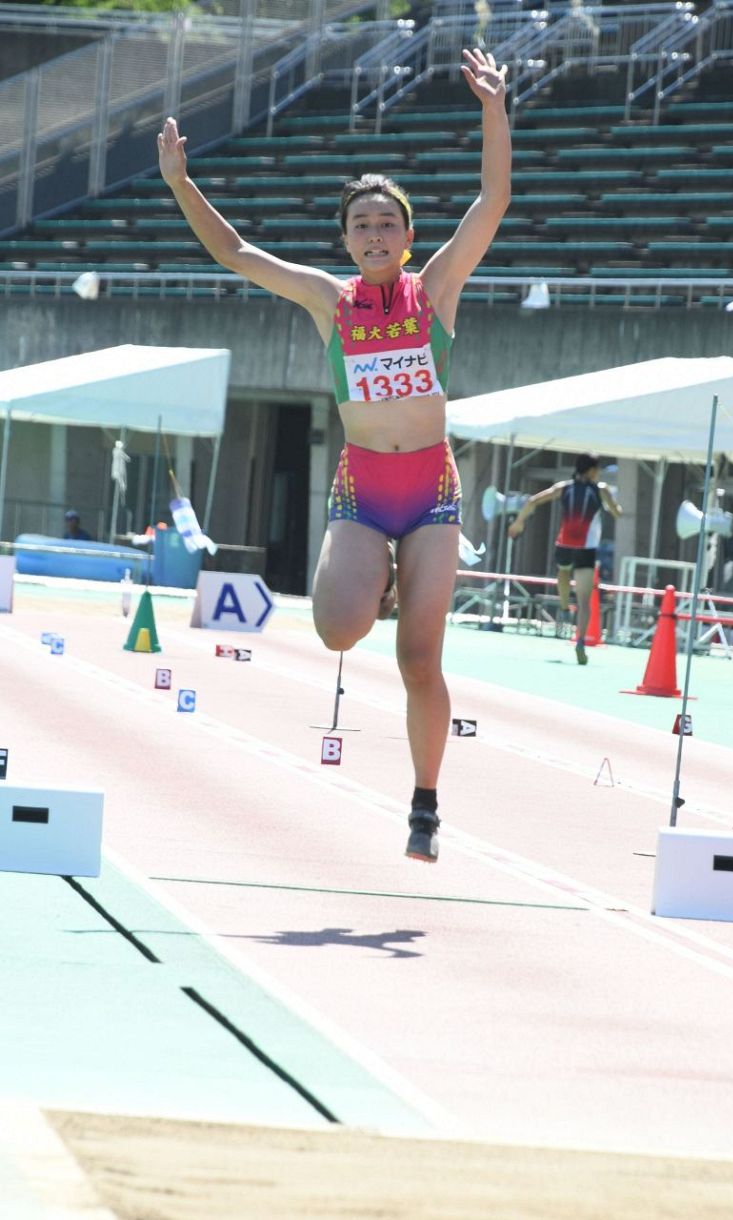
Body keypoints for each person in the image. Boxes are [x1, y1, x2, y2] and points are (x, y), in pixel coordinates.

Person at [158, 48, 511, 864]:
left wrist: (493, 107)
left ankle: (424, 802)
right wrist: (181, 183)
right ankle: (374, 580)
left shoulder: (439, 289)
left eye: (387, 222)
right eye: (361, 224)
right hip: (363, 491)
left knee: (418, 658)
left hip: (431, 493)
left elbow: (492, 200)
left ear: (408, 235)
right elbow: (239, 256)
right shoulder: (329, 300)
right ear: (347, 240)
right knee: (338, 630)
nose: (375, 234)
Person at [508, 453, 622, 665]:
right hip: (587, 549)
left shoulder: (564, 487)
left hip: (565, 545)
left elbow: (534, 500)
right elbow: (616, 513)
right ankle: (580, 641)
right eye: (597, 469)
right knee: (584, 601)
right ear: (591, 470)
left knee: (563, 571)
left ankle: (562, 607)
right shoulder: (601, 490)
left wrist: (519, 522)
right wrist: (617, 507)